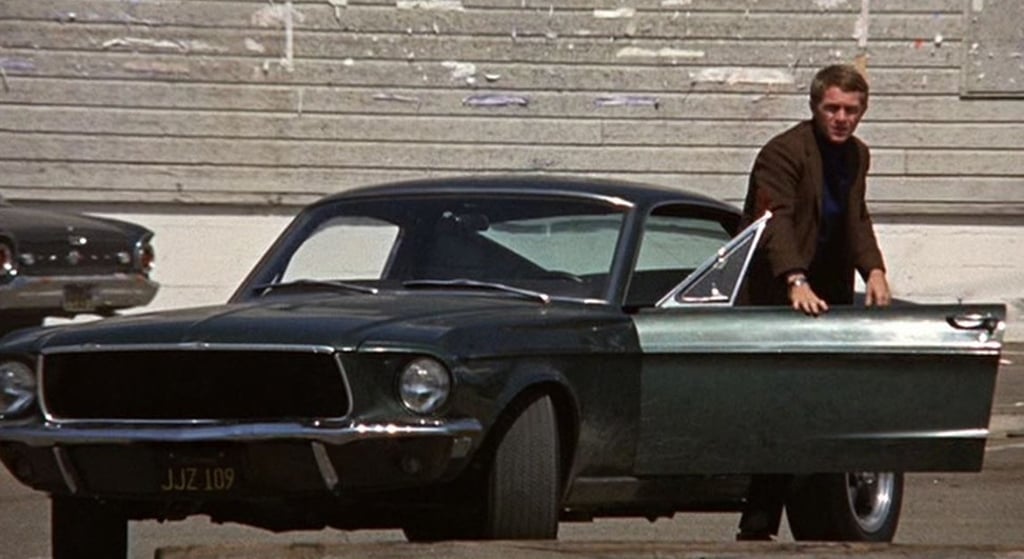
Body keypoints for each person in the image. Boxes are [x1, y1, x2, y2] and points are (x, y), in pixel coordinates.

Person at [734, 63, 892, 540]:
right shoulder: (784, 153)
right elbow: (773, 221)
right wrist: (794, 279)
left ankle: (823, 521)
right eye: (832, 108)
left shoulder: (857, 156)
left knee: (826, 407)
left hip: (831, 295)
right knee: (784, 408)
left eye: (851, 110)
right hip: (780, 297)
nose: (841, 118)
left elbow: (854, 219)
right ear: (815, 107)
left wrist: (875, 271)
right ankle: (757, 526)